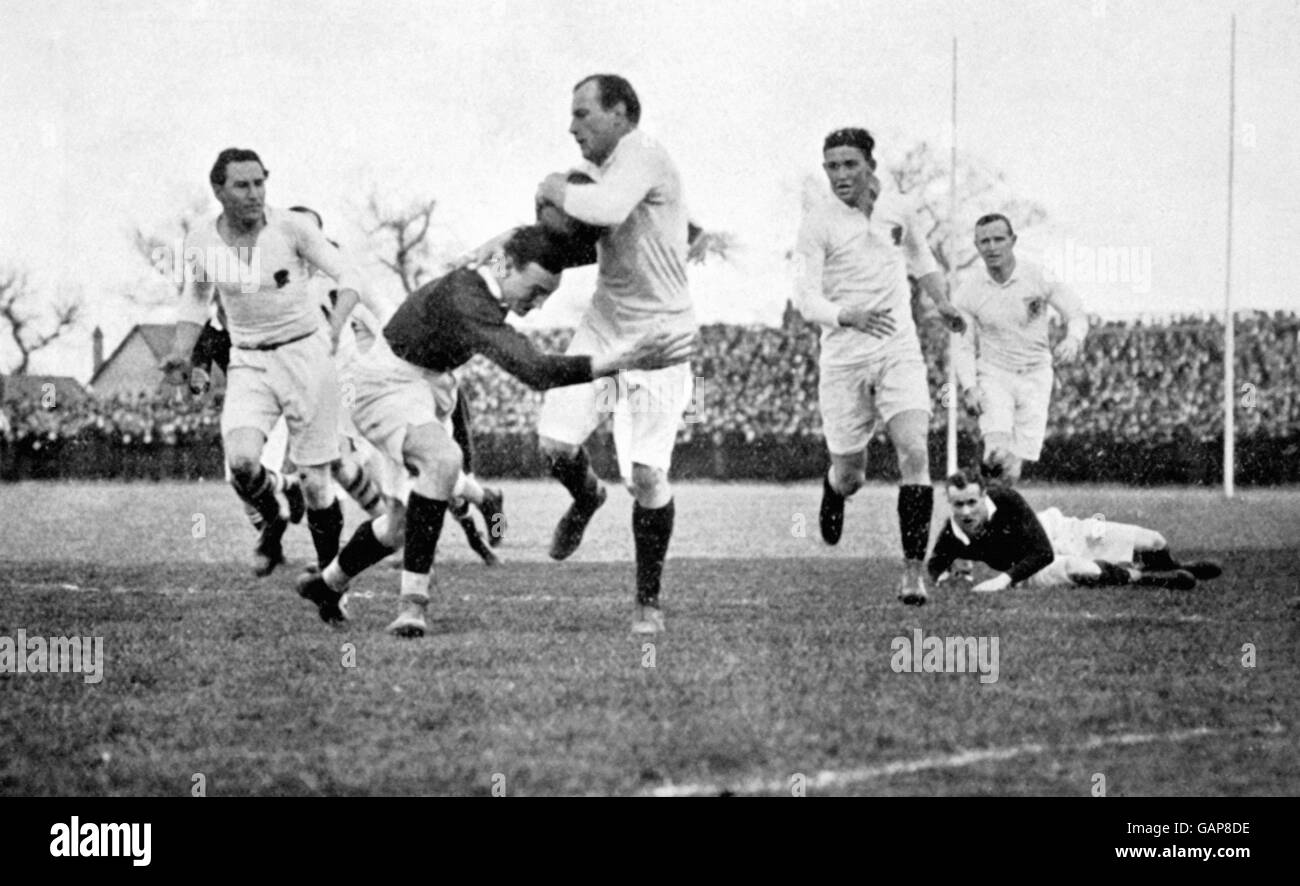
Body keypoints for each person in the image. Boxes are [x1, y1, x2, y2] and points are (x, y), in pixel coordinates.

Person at [294, 224, 693, 637]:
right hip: (385, 384)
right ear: (512, 269)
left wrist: (669, 238)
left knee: (399, 525)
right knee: (443, 461)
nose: (537, 305)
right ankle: (413, 604)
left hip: (432, 384)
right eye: (535, 291)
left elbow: (524, 245)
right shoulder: (469, 300)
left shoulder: (499, 268)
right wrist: (622, 359)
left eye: (547, 295)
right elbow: (535, 370)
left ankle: (327, 585)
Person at [529, 73, 697, 636]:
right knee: (555, 445)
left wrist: (551, 186)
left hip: (660, 338)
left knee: (647, 476)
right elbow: (579, 240)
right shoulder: (601, 173)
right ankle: (585, 499)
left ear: (622, 113)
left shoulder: (642, 154)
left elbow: (603, 209)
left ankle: (647, 602)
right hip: (605, 328)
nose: (571, 125)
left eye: (582, 113)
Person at [161, 148, 362, 578]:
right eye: (242, 185)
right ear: (218, 190)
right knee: (242, 465)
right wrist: (181, 350)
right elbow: (196, 297)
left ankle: (331, 581)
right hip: (249, 361)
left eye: (259, 183)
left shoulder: (292, 227)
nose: (254, 193)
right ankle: (275, 512)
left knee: (317, 484)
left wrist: (338, 323)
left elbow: (349, 277)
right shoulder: (201, 239)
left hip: (306, 357)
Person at [794, 127, 966, 606]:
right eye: (831, 166)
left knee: (915, 453)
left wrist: (942, 302)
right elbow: (804, 296)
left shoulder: (898, 208)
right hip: (845, 359)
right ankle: (834, 488)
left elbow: (921, 257)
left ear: (871, 164)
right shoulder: (817, 222)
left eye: (850, 164)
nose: (840, 175)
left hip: (898, 349)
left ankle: (913, 574)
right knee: (852, 475)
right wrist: (843, 314)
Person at [952, 213, 1088, 485]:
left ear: (1012, 240)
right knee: (996, 453)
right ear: (976, 246)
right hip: (994, 374)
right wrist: (969, 387)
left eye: (998, 239)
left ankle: (1000, 519)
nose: (992, 247)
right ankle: (986, 517)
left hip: (1036, 375)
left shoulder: (1037, 275)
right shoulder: (968, 290)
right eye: (984, 241)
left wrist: (1072, 339)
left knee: (1012, 468)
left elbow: (1075, 312)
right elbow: (963, 345)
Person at [927, 469, 1223, 591]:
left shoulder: (1006, 499)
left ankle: (1177, 566)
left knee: (1155, 540)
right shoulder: (953, 532)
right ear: (949, 503)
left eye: (971, 502)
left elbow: (1041, 550)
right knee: (1086, 571)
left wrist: (1001, 581)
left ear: (984, 495)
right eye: (958, 505)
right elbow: (935, 564)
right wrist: (943, 576)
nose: (965, 511)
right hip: (1032, 570)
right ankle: (1150, 579)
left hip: (1060, 533)